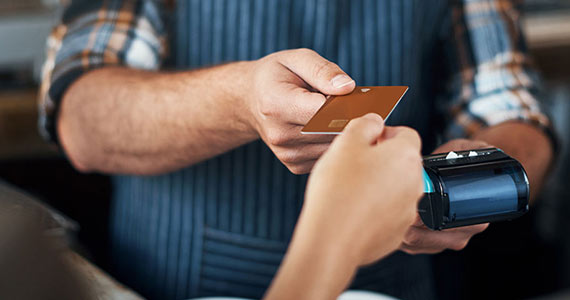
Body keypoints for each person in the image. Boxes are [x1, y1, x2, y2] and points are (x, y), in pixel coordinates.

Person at [40, 1, 555, 299]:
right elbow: (83, 114)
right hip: (168, 282)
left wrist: (472, 186)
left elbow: (512, 107)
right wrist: (239, 100)